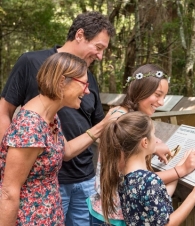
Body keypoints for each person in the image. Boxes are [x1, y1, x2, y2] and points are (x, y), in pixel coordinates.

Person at [0, 11, 115, 225]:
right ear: (62, 82)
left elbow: (68, 151)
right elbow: (8, 191)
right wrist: (9, 158)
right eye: (83, 85)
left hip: (58, 202)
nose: (87, 91)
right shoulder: (30, 127)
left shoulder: (51, 118)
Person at [87, 64, 195, 225]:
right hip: (113, 216)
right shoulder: (120, 119)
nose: (162, 102)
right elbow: (126, 177)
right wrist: (180, 170)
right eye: (158, 94)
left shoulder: (129, 116)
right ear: (141, 89)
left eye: (164, 96)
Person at [99, 111, 195, 225]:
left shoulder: (125, 176)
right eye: (153, 134)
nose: (156, 139)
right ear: (145, 142)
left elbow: (157, 200)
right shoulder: (148, 180)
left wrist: (180, 167)